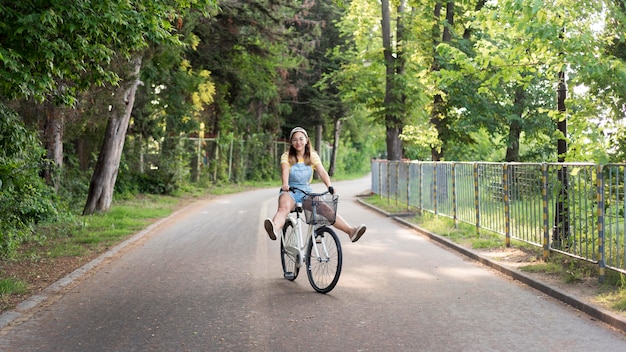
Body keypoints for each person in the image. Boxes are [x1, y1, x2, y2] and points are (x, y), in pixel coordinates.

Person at [264, 126, 366, 242]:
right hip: (290, 190)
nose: (298, 142)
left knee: (327, 211)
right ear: (291, 142)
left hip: (306, 191)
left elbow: (322, 171)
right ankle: (274, 228)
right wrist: (285, 184)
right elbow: (285, 171)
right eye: (295, 139)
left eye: (301, 139)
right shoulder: (286, 156)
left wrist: (329, 186)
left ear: (306, 140)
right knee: (284, 208)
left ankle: (351, 231)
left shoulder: (312, 155)